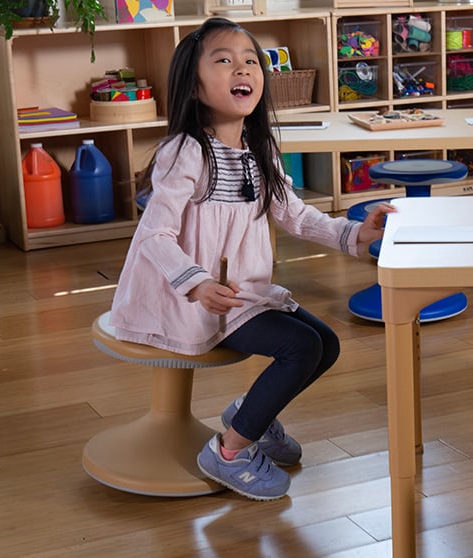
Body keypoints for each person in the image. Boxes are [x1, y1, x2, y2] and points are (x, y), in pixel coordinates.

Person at [109, 17, 395, 501]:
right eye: (223, 61)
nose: (242, 69)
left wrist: (356, 233)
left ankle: (251, 415)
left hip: (240, 291)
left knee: (324, 343)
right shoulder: (186, 151)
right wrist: (197, 283)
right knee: (299, 348)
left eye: (250, 61)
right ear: (194, 85)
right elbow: (153, 234)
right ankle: (228, 451)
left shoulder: (258, 146)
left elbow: (297, 217)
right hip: (189, 297)